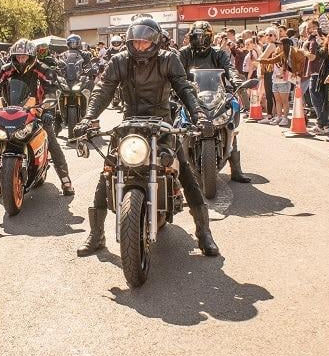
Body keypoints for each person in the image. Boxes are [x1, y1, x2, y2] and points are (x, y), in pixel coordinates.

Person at [73, 17, 219, 258]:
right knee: (108, 171)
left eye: (144, 42)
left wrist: (200, 116)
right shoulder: (119, 60)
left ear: (155, 41)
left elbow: (185, 89)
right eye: (136, 42)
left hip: (161, 123)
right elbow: (103, 89)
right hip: (129, 124)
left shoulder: (169, 59)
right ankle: (96, 234)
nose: (140, 46)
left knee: (184, 171)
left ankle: (204, 233)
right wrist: (88, 118)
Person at [0, 39, 74, 199]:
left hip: (37, 111)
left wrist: (48, 111)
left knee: (52, 141)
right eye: (18, 56)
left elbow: (51, 91)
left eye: (24, 57)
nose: (21, 60)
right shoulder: (6, 70)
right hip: (10, 112)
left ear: (31, 56)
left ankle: (66, 180)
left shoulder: (43, 69)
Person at [179, 20, 250, 183]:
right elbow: (177, 72)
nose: (199, 40)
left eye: (203, 37)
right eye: (196, 37)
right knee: (178, 126)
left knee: (229, 122)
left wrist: (236, 82)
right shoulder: (184, 53)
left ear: (209, 38)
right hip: (191, 95)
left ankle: (236, 170)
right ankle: (177, 170)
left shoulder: (218, 53)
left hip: (216, 94)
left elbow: (229, 69)